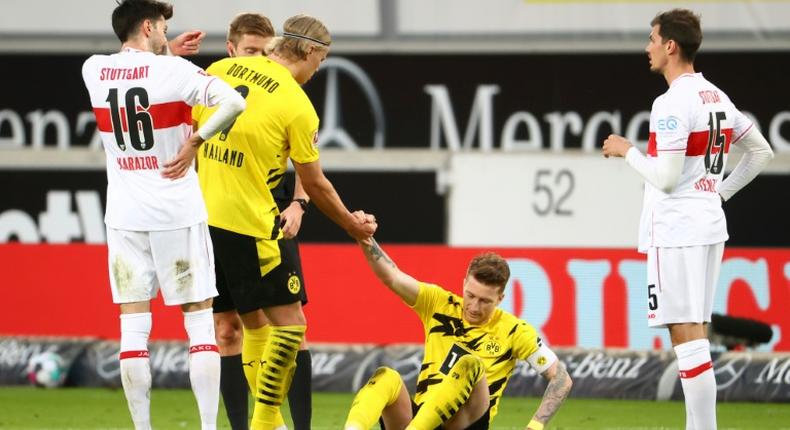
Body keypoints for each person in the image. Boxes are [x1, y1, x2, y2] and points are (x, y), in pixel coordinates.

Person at [193, 14, 377, 430]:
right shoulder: (296, 103)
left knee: (248, 327)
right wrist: (351, 225)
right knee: (291, 327)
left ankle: (265, 426)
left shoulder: (219, 70)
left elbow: (187, 128)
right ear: (310, 52)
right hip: (252, 226)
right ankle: (277, 425)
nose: (317, 72)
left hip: (203, 227)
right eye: (321, 62)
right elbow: (316, 182)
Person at [602, 9, 774, 429]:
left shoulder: (671, 103)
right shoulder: (717, 96)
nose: (648, 47)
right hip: (708, 225)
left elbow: (665, 177)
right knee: (692, 330)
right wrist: (717, 193)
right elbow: (761, 152)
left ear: (670, 46)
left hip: (678, 228)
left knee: (686, 334)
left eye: (652, 39)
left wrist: (627, 151)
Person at [81, 1, 246, 429]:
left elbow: (137, 72)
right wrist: (196, 143)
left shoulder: (93, 69)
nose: (166, 33)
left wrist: (167, 49)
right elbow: (232, 103)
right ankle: (209, 427)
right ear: (150, 26)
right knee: (198, 323)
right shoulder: (176, 73)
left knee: (133, 328)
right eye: (163, 27)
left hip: (124, 216)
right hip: (176, 210)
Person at [191, 13, 313, 430]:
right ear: (232, 51)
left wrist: (298, 203)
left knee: (287, 325)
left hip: (267, 215)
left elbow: (308, 163)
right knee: (229, 329)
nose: (262, 60)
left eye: (267, 52)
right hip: (215, 219)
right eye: (251, 52)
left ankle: (293, 426)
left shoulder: (287, 100)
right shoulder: (213, 83)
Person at [344, 238, 572, 430]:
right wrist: (363, 237)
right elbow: (392, 276)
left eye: (485, 301)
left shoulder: (515, 330)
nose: (474, 306)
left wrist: (535, 426)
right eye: (470, 295)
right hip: (423, 419)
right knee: (386, 377)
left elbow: (561, 379)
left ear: (500, 299)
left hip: (466, 423)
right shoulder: (438, 303)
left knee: (469, 365)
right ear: (463, 284)